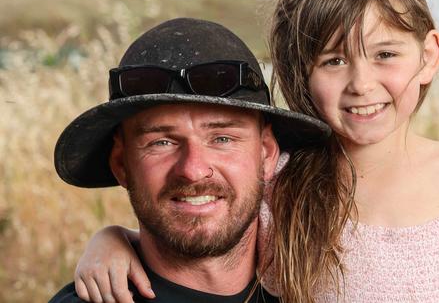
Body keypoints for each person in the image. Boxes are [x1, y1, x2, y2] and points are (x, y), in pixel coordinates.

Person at [72, 0, 439, 303]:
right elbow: (203, 234)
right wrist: (113, 240)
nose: (362, 84)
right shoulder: (286, 186)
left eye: (385, 54)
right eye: (333, 61)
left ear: (428, 56)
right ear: (298, 72)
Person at [48, 17, 329, 303]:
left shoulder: (322, 286)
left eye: (222, 139)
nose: (193, 170)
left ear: (267, 154)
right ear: (121, 164)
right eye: (162, 142)